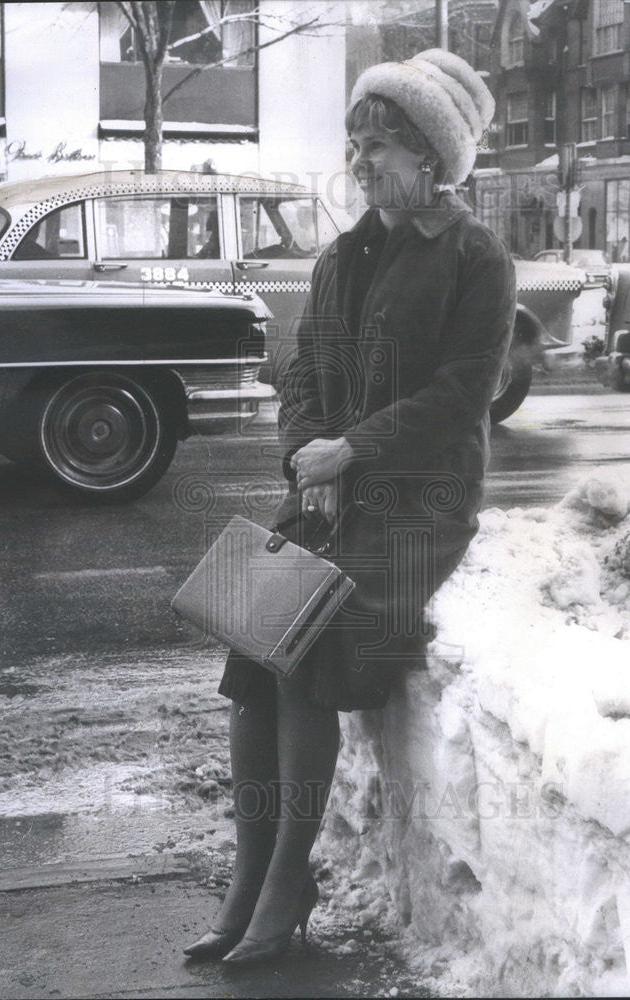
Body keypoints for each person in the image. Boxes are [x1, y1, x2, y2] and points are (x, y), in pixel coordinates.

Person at [183, 49, 516, 965]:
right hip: (330, 491)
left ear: (433, 158)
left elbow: (462, 393)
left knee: (308, 642)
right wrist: (307, 455)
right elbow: (301, 378)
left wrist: (354, 451)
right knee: (253, 637)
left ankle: (290, 882)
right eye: (354, 144)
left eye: (381, 146)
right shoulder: (340, 256)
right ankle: (250, 876)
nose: (362, 162)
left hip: (421, 503)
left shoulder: (475, 258)